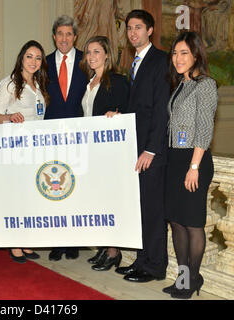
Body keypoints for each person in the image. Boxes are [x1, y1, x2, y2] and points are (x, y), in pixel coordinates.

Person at [113, 10, 170, 282]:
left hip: (151, 152)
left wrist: (151, 149)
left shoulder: (161, 60)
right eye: (129, 28)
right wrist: (119, 115)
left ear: (150, 30)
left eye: (138, 27)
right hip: (134, 148)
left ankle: (155, 267)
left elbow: (161, 110)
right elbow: (137, 108)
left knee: (153, 210)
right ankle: (141, 260)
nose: (132, 32)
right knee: (139, 209)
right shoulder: (133, 61)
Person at [162, 31, 218, 299]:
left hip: (193, 160)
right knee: (177, 222)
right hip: (175, 159)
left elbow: (205, 129)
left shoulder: (205, 85)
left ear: (196, 55)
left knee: (193, 224)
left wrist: (193, 167)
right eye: (175, 53)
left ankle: (193, 279)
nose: (177, 58)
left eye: (184, 53)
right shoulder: (181, 85)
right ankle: (182, 279)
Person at [0, 40, 49, 263]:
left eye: (38, 58)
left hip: (36, 148)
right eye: (29, 56)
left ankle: (25, 242)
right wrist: (10, 118)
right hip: (16, 150)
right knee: (17, 196)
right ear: (21, 58)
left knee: (30, 197)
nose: (33, 61)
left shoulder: (39, 83)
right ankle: (14, 244)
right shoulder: (9, 83)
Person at [79, 35, 129, 271]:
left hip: (109, 152)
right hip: (90, 151)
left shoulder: (117, 81)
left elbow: (127, 111)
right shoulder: (88, 83)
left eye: (96, 52)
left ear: (107, 54)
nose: (91, 56)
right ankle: (103, 246)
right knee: (96, 201)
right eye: (88, 52)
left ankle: (113, 251)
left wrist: (116, 115)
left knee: (109, 201)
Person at [45, 15, 87, 262]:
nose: (64, 38)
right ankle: (56, 241)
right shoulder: (44, 62)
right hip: (49, 136)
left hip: (79, 135)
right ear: (54, 36)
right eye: (60, 33)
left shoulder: (85, 61)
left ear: (75, 37)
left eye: (68, 34)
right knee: (54, 188)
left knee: (76, 189)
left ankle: (74, 242)